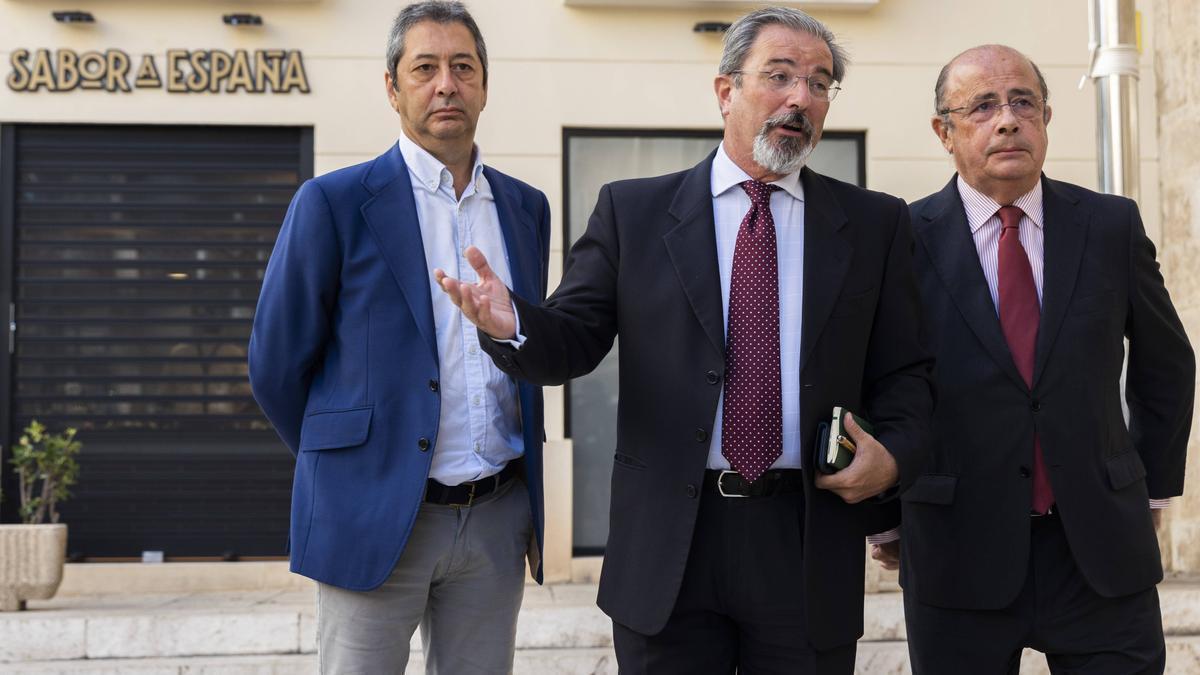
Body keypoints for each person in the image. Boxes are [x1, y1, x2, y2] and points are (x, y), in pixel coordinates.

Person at [437, 7, 933, 673]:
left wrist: (894, 453)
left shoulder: (874, 224)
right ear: (725, 90)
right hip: (671, 541)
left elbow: (908, 372)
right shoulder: (635, 212)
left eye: (819, 84)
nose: (800, 99)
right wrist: (513, 323)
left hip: (805, 536)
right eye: (780, 76)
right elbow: (575, 340)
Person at [247, 2, 551, 672]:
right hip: (373, 514)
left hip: (496, 515)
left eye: (463, 67)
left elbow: (527, 343)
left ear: (484, 85)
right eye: (426, 68)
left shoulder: (527, 207)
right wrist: (351, 468)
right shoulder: (333, 203)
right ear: (393, 87)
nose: (447, 84)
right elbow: (274, 364)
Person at [886, 44, 1195, 674]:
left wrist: (1151, 490)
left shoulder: (1108, 226)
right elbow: (878, 382)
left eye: (1023, 102)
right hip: (955, 553)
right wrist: (880, 514)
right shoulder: (900, 238)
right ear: (944, 132)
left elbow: (1166, 364)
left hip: (1099, 553)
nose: (1007, 120)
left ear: (1047, 117)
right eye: (982, 107)